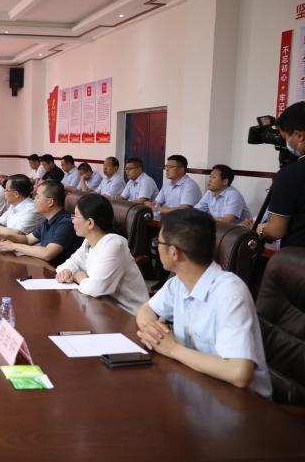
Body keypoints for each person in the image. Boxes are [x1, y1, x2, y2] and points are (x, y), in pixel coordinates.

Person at [136, 209, 272, 398]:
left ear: (174, 253)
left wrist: (172, 348)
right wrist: (153, 331)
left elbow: (239, 373)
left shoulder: (229, 293)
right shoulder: (179, 282)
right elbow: (146, 309)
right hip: (197, 385)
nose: (156, 246)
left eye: (158, 242)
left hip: (242, 402)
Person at [55, 194, 148, 315]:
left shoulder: (114, 244)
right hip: (103, 307)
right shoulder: (88, 242)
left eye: (76, 216)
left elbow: (96, 289)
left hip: (130, 315)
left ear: (90, 223)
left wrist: (80, 278)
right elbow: (67, 264)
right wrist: (66, 272)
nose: (72, 220)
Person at [0, 180, 82, 264]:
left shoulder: (66, 223)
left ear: (50, 202)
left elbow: (48, 253)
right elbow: (28, 239)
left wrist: (13, 246)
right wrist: (7, 237)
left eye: (37, 197)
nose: (34, 201)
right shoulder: (47, 220)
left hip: (59, 272)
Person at [258, 101, 305, 247]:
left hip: (296, 257)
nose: (286, 143)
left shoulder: (291, 174)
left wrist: (260, 229)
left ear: (299, 136)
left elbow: (276, 231)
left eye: (285, 138)